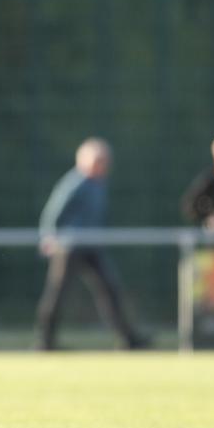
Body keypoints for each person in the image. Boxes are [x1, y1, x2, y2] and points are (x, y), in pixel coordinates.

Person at [35, 138, 146, 351]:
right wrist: (48, 236)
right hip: (70, 247)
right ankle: (45, 340)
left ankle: (128, 338)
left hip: (92, 246)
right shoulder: (75, 182)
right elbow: (53, 212)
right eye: (99, 160)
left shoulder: (99, 184)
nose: (104, 165)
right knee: (57, 293)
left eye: (105, 160)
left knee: (110, 289)